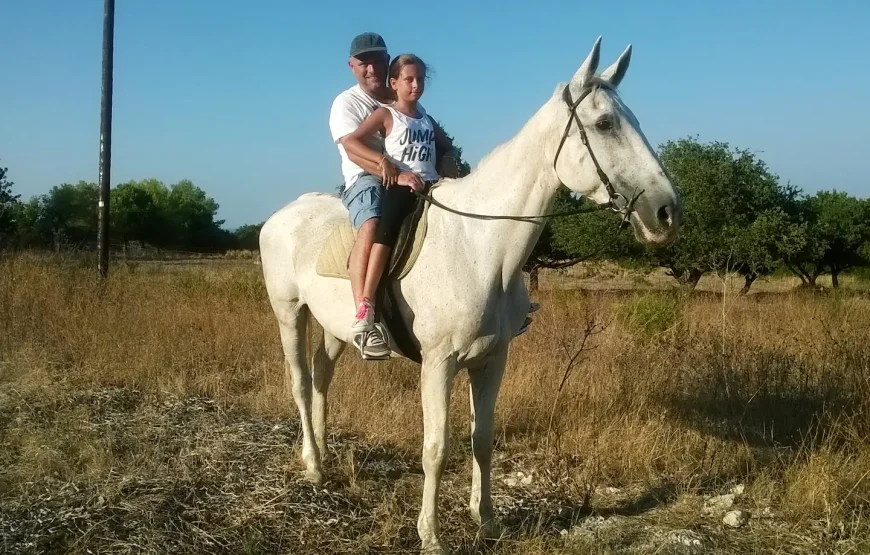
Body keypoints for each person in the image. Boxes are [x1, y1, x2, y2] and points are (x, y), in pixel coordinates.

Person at [341, 54, 454, 359]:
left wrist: (448, 160)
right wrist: (386, 164)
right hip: (403, 187)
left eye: (420, 79)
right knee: (385, 234)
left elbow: (446, 145)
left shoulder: (427, 119)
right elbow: (352, 141)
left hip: (433, 188)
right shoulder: (385, 114)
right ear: (395, 83)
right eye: (409, 79)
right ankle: (366, 306)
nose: (416, 85)